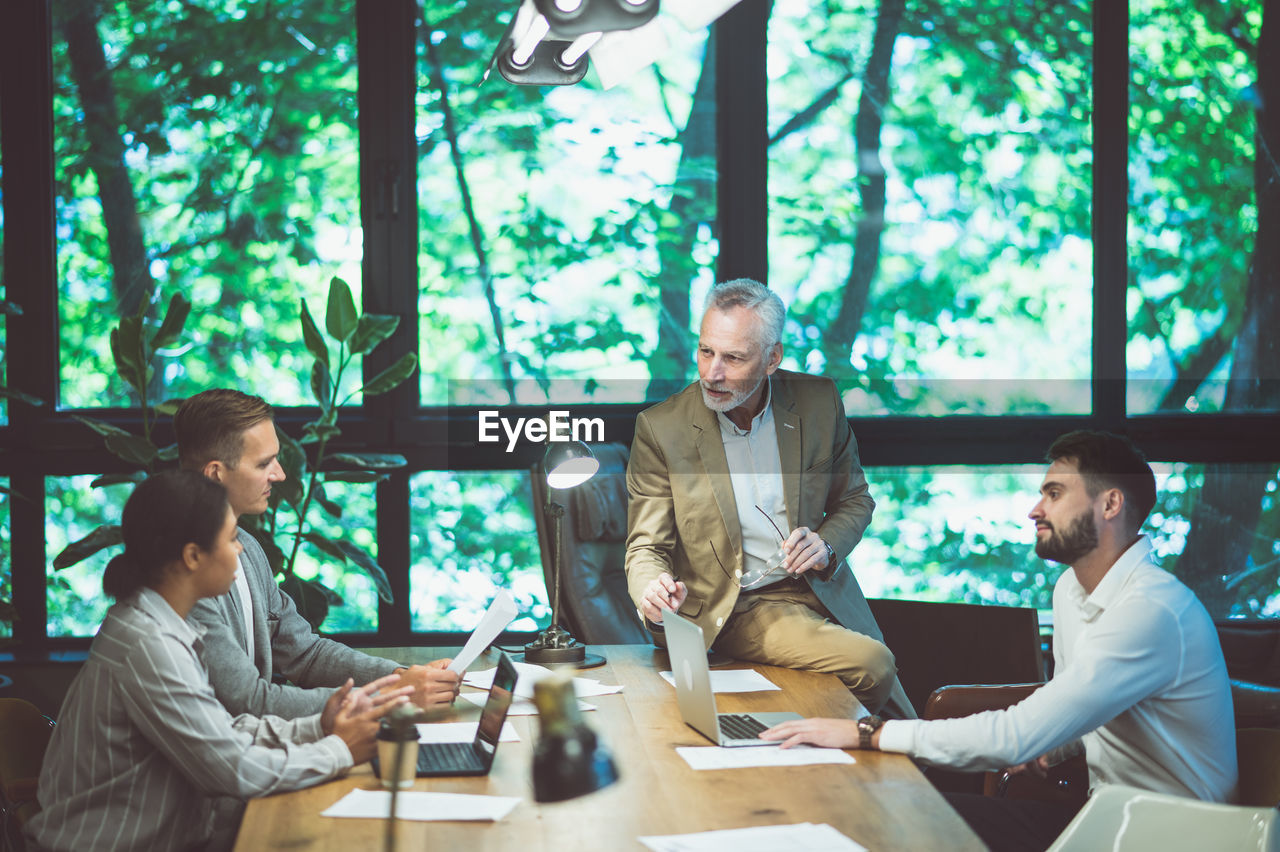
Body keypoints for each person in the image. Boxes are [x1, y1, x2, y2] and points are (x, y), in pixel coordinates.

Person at [762, 430, 1238, 852]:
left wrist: (866, 733)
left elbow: (1017, 735)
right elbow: (1077, 705)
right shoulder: (1072, 590)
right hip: (1109, 819)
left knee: (900, 818)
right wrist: (1059, 746)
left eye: (1054, 493)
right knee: (892, 806)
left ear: (1109, 504)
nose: (1035, 510)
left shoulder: (1151, 611)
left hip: (1176, 835)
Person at [28, 471, 412, 852]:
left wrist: (320, 725)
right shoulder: (148, 644)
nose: (241, 549)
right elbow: (233, 769)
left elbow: (221, 731)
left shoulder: (160, 623)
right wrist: (340, 750)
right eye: (230, 539)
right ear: (193, 556)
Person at [626, 278, 912, 717]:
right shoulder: (661, 429)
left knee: (905, 723)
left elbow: (854, 499)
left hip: (824, 591)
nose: (711, 373)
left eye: (733, 358)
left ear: (772, 358)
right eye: (705, 351)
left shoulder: (818, 403)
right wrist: (651, 591)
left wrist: (826, 544)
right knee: (873, 665)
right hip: (736, 605)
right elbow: (646, 546)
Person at [175, 388, 460, 717]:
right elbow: (247, 701)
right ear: (215, 474)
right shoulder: (187, 573)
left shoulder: (247, 548)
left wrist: (403, 677)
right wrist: (390, 693)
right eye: (264, 463)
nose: (280, 474)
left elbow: (305, 652)